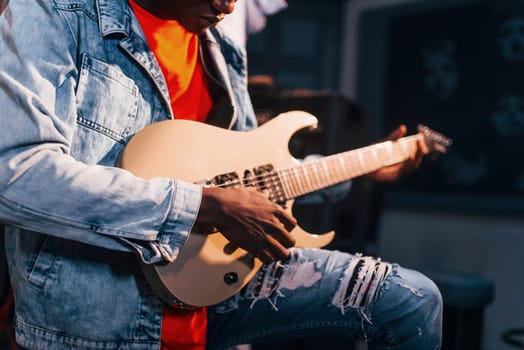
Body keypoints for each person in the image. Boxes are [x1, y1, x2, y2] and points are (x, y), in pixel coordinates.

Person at [0, 1, 443, 349]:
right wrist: (201, 206)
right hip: (99, 318)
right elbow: (15, 172)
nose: (228, 6)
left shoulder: (221, 45)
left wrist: (363, 170)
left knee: (411, 300)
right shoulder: (56, 12)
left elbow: (253, 178)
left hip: (217, 292)